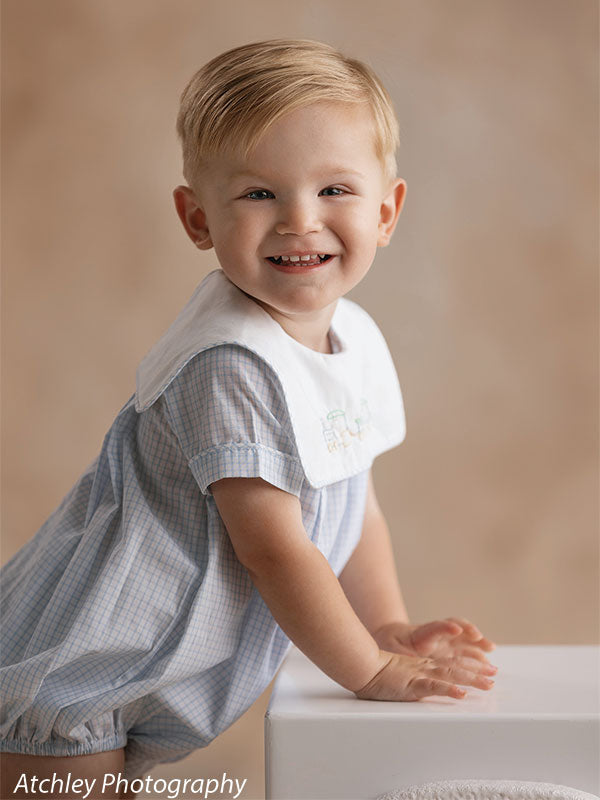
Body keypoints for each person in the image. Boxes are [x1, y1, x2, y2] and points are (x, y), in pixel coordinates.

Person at [1, 39, 497, 799]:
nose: (301, 220)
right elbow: (276, 551)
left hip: (152, 666)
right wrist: (367, 671)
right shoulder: (229, 363)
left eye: (335, 189)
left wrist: (384, 626)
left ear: (387, 211)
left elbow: (351, 492)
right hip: (80, 667)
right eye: (259, 194)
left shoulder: (351, 338)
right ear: (197, 217)